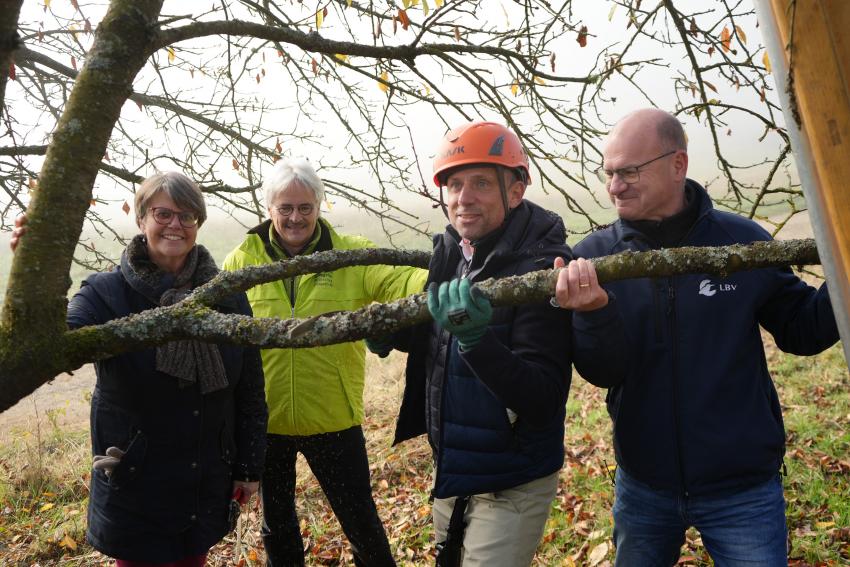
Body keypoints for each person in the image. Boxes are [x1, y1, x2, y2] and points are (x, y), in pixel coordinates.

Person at [555, 108, 840, 566]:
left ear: (677, 165)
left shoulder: (740, 241)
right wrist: (593, 314)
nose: (614, 186)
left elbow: (801, 329)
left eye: (629, 171)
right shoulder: (595, 257)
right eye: (608, 173)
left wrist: (845, 277)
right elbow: (603, 372)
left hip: (743, 489)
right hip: (644, 485)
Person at [384, 121, 626, 566]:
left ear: (515, 192)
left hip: (510, 480)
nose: (464, 198)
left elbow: (543, 398)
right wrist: (396, 332)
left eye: (480, 183)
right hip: (456, 466)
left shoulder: (542, 269)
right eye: (454, 185)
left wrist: (476, 341)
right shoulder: (453, 251)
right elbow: (441, 337)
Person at [11, 172, 268, 566]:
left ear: (198, 223)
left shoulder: (225, 295)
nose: (175, 225)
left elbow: (249, 387)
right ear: (142, 218)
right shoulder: (105, 293)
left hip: (203, 476)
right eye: (163, 213)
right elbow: (55, 341)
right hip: (137, 481)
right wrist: (39, 270)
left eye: (187, 216)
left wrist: (248, 465)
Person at [222, 158, 428, 567]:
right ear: (269, 209)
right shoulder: (242, 262)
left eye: (305, 207)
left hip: (333, 418)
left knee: (360, 521)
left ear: (319, 206)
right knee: (276, 528)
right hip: (268, 423)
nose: (295, 217)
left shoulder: (349, 255)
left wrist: (439, 280)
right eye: (285, 208)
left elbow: (397, 278)